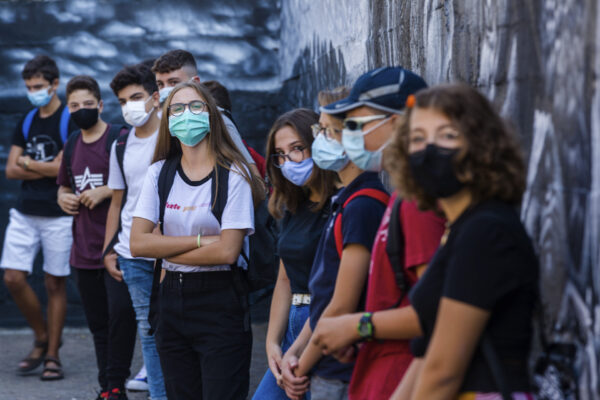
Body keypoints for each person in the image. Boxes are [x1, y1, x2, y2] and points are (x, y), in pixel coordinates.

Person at [385, 84, 538, 399]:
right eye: (417, 139)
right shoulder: (460, 228)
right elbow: (428, 351)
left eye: (447, 136)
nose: (428, 150)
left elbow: (443, 373)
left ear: (481, 144)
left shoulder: (485, 232)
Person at [310, 67, 446, 400]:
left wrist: (357, 326)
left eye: (356, 125)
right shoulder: (404, 195)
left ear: (399, 125)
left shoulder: (418, 201)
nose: (350, 136)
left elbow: (437, 314)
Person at [129, 81, 263, 399]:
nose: (185, 115)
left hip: (221, 303)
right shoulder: (159, 173)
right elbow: (138, 244)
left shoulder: (235, 175)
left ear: (211, 115)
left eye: (195, 106)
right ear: (169, 120)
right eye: (176, 108)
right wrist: (203, 241)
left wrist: (165, 247)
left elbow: (229, 252)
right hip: (170, 301)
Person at [280, 86, 391, 399]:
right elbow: (323, 297)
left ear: (354, 138)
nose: (320, 140)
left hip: (340, 370)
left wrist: (301, 367)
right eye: (320, 130)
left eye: (328, 131)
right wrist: (296, 352)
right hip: (324, 361)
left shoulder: (363, 206)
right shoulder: (345, 200)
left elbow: (340, 304)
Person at [55, 75, 135, 397]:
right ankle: (108, 387)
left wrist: (106, 190)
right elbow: (63, 184)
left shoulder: (120, 138)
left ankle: (116, 383)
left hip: (116, 249)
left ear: (101, 105)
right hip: (83, 252)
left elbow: (139, 184)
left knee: (121, 319)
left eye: (88, 104)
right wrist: (62, 197)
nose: (81, 110)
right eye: (74, 105)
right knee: (99, 326)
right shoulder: (72, 142)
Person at [252, 108, 338, 399]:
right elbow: (285, 280)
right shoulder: (292, 206)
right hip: (293, 323)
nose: (289, 161)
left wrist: (298, 349)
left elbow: (337, 293)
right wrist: (272, 344)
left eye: (297, 149)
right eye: (280, 154)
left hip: (324, 325)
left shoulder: (339, 207)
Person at [2, 54, 76, 380]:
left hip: (59, 214)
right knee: (13, 278)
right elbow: (10, 170)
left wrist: (30, 164)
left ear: (55, 84)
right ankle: (42, 335)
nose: (34, 91)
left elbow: (67, 169)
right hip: (24, 213)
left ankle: (52, 355)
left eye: (39, 86)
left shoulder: (69, 120)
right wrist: (45, 168)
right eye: (29, 86)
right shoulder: (27, 120)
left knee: (54, 283)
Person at [103, 63, 167, 400]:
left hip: (172, 250)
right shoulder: (120, 143)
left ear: (155, 98)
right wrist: (108, 249)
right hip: (132, 253)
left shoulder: (173, 136)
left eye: (137, 97)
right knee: (148, 330)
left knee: (173, 329)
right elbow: (117, 201)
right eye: (123, 100)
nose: (130, 106)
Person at [151, 49, 262, 177]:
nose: (166, 90)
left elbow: (252, 175)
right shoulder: (169, 120)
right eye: (160, 84)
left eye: (174, 82)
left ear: (196, 82)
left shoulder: (217, 120)